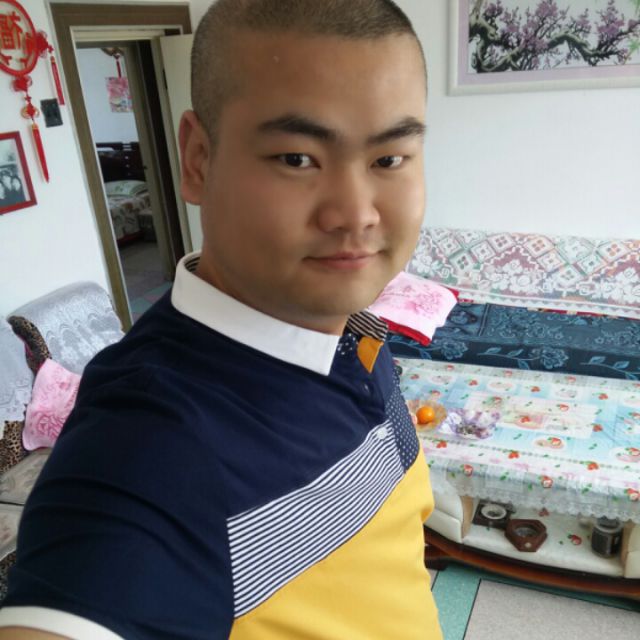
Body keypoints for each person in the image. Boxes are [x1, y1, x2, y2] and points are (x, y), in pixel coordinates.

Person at [0, 0, 442, 637]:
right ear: (198, 160)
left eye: (389, 159)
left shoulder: (353, 328)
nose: (356, 215)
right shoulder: (150, 449)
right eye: (297, 158)